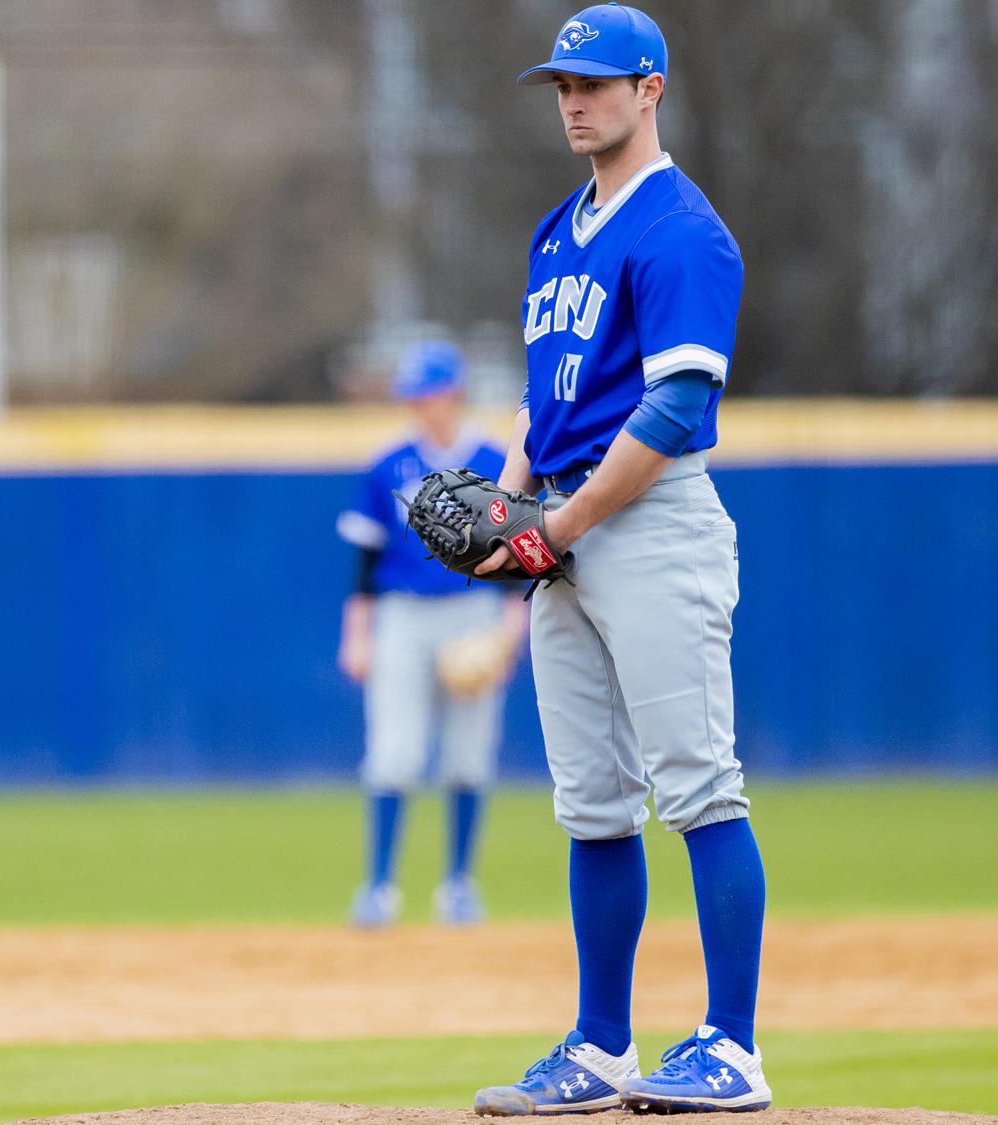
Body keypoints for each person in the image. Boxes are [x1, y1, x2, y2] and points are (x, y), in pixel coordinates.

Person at [470, 5, 772, 1115]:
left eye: (594, 82)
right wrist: (509, 510)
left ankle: (729, 1047)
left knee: (696, 785)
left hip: (646, 522)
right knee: (590, 803)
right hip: (562, 525)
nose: (573, 101)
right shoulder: (557, 230)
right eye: (560, 85)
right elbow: (535, 397)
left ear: (650, 89)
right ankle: (600, 1049)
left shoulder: (681, 230)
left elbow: (680, 397)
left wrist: (563, 523)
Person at [337, 341, 526, 927]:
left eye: (429, 393)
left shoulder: (497, 458)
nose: (421, 406)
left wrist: (510, 634)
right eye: (414, 396)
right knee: (394, 752)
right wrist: (357, 635)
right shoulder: (386, 464)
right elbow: (365, 562)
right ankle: (378, 888)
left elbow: (521, 550)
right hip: (402, 615)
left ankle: (459, 886)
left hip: (474, 615)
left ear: (454, 393)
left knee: (469, 756)